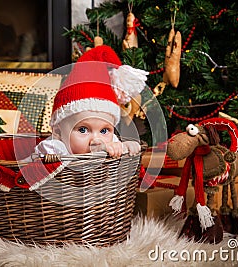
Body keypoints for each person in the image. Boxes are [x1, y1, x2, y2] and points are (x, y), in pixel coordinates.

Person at [16, 45, 149, 190]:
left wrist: (127, 147)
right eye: (83, 129)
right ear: (58, 132)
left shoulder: (109, 141)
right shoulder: (55, 146)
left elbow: (116, 147)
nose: (96, 139)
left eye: (104, 130)